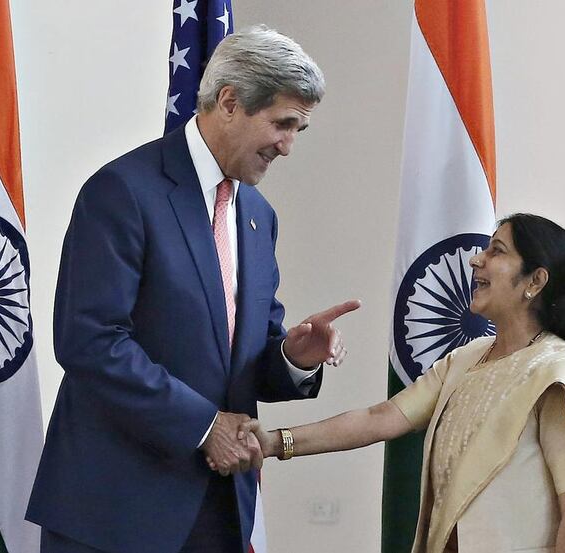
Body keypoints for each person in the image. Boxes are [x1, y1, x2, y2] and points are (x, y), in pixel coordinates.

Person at [26, 26, 359, 553]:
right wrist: (204, 426)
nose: (289, 146)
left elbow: (242, 360)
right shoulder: (123, 190)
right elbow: (88, 340)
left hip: (219, 512)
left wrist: (294, 357)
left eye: (300, 128)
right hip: (115, 511)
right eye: (282, 123)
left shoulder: (257, 215)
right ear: (229, 102)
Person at [233, 214, 565, 553]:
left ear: (535, 282)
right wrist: (274, 443)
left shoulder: (560, 372)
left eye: (496, 251)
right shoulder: (466, 359)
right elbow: (381, 418)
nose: (476, 261)